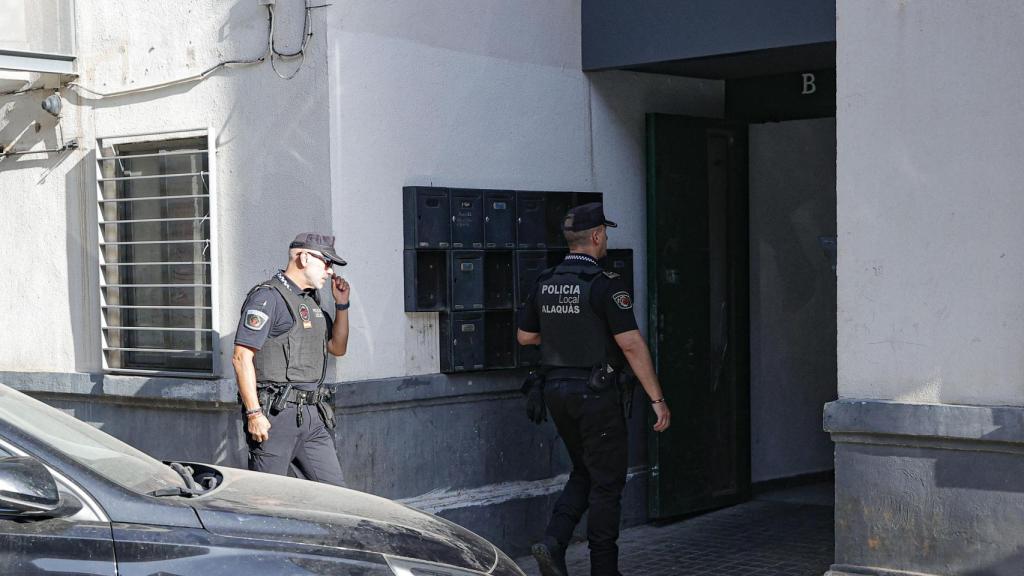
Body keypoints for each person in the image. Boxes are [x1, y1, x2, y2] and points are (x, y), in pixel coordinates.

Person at [518, 203, 671, 576]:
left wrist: (565, 334)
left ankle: (554, 542)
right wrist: (657, 399)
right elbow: (631, 344)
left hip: (555, 390)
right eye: (606, 234)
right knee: (607, 483)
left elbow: (525, 337)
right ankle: (604, 569)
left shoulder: (546, 280)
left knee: (584, 471)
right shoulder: (606, 284)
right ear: (598, 236)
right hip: (595, 393)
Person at [232, 232, 351, 486]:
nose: (330, 271)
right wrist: (254, 414)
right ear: (304, 258)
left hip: (312, 416)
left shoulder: (310, 302)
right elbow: (241, 357)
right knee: (268, 498)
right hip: (276, 415)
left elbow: (337, 347)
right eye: (326, 263)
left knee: (338, 498)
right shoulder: (267, 297)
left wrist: (342, 305)